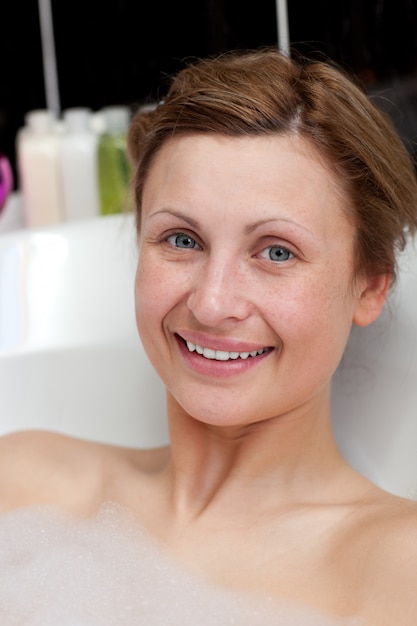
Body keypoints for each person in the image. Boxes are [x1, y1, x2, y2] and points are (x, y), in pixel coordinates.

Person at [1, 47, 417, 625]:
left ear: (370, 286)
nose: (211, 303)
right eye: (181, 240)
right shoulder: (20, 483)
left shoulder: (400, 568)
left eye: (276, 251)